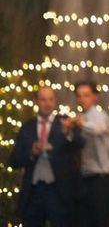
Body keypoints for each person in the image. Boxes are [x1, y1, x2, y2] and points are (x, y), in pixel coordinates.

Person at [9, 86, 84, 227]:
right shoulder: (27, 127)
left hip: (59, 192)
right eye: (43, 99)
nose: (47, 103)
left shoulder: (65, 122)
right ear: (36, 101)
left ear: (55, 101)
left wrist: (68, 133)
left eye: (51, 99)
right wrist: (31, 152)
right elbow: (14, 160)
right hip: (33, 193)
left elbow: (80, 144)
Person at [72, 80, 109, 227]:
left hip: (100, 179)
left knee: (101, 221)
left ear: (95, 97)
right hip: (84, 178)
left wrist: (79, 124)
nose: (82, 99)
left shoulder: (100, 115)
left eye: (86, 95)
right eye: (79, 96)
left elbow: (98, 129)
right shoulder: (80, 117)